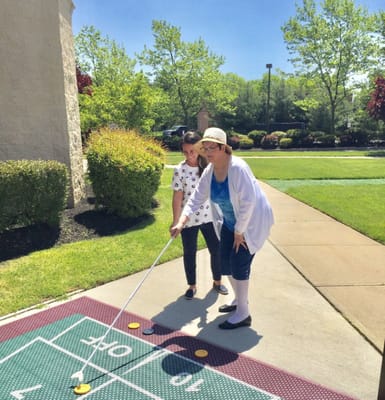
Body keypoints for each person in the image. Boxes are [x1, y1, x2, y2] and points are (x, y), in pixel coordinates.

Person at [170, 127, 274, 329]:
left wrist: (239, 231)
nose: (208, 152)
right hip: (229, 222)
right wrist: (182, 221)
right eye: (205, 147)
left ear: (223, 148)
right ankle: (239, 301)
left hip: (249, 224)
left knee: (239, 266)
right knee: (225, 264)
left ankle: (244, 314)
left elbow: (248, 202)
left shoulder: (237, 168)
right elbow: (195, 198)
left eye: (212, 147)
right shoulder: (209, 170)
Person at [170, 131, 228, 300]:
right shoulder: (179, 170)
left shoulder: (208, 167)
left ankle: (217, 282)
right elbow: (177, 197)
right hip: (188, 220)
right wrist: (176, 221)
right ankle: (192, 286)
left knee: (216, 250)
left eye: (193, 151)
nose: (190, 156)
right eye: (186, 152)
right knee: (189, 252)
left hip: (209, 217)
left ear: (200, 149)